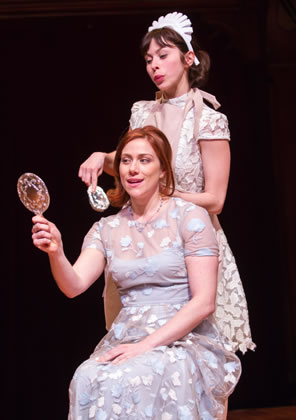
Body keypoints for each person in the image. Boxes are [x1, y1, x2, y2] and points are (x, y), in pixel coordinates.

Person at [32, 126, 241, 419]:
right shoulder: (106, 228)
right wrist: (56, 251)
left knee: (140, 374)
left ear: (163, 170)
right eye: (126, 160)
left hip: (182, 337)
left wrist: (146, 346)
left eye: (144, 160)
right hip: (126, 335)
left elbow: (204, 302)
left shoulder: (189, 216)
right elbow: (73, 285)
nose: (133, 168)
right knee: (86, 376)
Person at [78, 12, 255, 355]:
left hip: (192, 244)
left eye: (163, 56)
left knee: (204, 355)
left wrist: (164, 192)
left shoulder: (209, 118)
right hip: (146, 239)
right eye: (148, 60)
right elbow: (132, 159)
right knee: (139, 353)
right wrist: (103, 156)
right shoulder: (142, 113)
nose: (154, 66)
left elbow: (216, 199)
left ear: (188, 59)